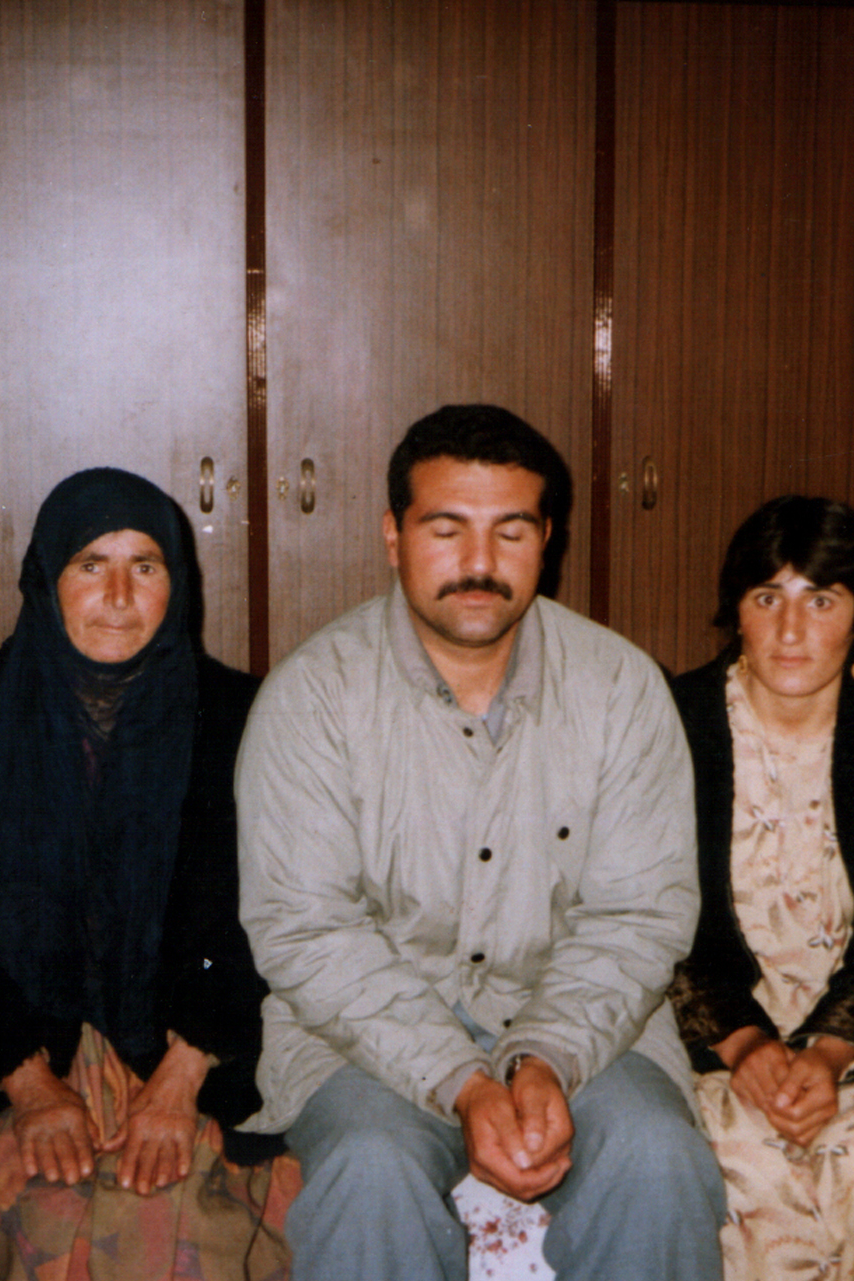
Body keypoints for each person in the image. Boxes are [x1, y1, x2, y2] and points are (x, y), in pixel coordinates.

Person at [235, 404, 727, 1281]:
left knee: (658, 1160)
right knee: (370, 1172)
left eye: (511, 531)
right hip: (362, 1037)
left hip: (584, 1023)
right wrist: (463, 1080)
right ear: (393, 536)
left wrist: (545, 1057)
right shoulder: (312, 697)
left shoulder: (621, 687)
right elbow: (305, 929)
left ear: (548, 538)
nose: (479, 563)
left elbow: (639, 914)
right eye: (446, 528)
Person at [0, 467, 292, 1281]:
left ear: (177, 582)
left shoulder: (246, 719)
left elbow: (277, 910)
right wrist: (30, 1085)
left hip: (207, 1055)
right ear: (46, 580)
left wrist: (184, 1075)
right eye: (91, 564)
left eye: (145, 566)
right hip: (11, 1060)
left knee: (179, 1214)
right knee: (46, 1208)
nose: (119, 596)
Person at [669, 496, 854, 1281]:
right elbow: (654, 917)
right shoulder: (672, 726)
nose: (790, 630)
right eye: (768, 598)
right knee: (754, 1174)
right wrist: (745, 1043)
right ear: (737, 611)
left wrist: (828, 1054)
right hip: (715, 1038)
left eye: (820, 600)